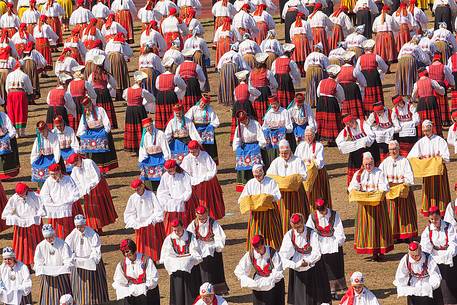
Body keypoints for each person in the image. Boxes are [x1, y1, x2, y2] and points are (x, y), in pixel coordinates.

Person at [348, 152, 394, 260]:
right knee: (367, 228)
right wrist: (357, 191)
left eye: (370, 164)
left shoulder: (379, 172)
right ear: (363, 164)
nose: (368, 166)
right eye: (366, 164)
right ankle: (372, 251)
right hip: (365, 206)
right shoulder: (359, 174)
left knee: (379, 227)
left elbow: (384, 186)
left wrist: (376, 193)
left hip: (377, 205)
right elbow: (352, 187)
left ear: (373, 163)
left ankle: (380, 250)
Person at [279, 213, 332, 305]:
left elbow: (316, 252)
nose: (297, 230)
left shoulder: (312, 233)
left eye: (299, 226)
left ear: (303, 223)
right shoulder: (289, 235)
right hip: (298, 267)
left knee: (317, 294)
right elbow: (283, 255)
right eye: (294, 227)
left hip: (314, 265)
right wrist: (295, 264)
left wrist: (308, 261)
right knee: (300, 296)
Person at [407, 120, 451, 216]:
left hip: (439, 172)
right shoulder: (421, 142)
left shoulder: (440, 140)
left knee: (441, 191)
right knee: (428, 191)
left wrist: (438, 159)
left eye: (428, 130)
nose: (426, 132)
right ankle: (430, 210)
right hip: (427, 172)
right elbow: (410, 157)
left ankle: (443, 210)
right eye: (424, 131)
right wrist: (420, 160)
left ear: (432, 128)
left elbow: (447, 157)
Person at [306, 199, 346, 300]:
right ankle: (322, 291)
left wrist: (336, 243)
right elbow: (309, 231)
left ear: (326, 206)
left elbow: (339, 229)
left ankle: (333, 291)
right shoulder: (312, 217)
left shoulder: (334, 215)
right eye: (320, 211)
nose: (322, 213)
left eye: (323, 210)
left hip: (333, 244)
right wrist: (315, 244)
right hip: (319, 245)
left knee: (334, 269)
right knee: (321, 270)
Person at [65, 214, 109, 305]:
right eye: (77, 227)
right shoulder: (72, 235)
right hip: (78, 265)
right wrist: (73, 258)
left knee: (95, 287)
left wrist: (92, 260)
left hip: (91, 263)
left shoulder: (92, 234)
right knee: (80, 288)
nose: (79, 228)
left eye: (81, 226)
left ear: (84, 224)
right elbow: (68, 249)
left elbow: (96, 249)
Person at [267, 139, 308, 235]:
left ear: (290, 150)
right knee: (283, 216)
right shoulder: (276, 162)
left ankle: (301, 232)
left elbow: (304, 175)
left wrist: (293, 179)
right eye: (282, 153)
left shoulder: (297, 160)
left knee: (297, 212)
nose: (284, 155)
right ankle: (285, 234)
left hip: (296, 193)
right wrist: (281, 181)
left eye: (286, 152)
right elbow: (269, 175)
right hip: (282, 195)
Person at [67, 153, 118, 232]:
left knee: (99, 208)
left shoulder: (89, 163)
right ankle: (94, 227)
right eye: (73, 165)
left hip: (97, 187)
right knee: (90, 210)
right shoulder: (75, 170)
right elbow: (75, 182)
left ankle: (100, 228)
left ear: (79, 159)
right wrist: (80, 192)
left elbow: (96, 177)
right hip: (86, 191)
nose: (75, 166)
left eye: (76, 163)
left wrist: (88, 187)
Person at [379, 140, 418, 242]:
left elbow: (410, 177)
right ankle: (394, 236)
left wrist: (402, 184)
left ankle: (407, 236)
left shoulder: (404, 161)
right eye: (391, 149)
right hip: (391, 193)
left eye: (395, 149)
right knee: (392, 214)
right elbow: (380, 177)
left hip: (403, 192)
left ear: (398, 149)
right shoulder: (385, 162)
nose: (393, 151)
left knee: (406, 214)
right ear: (388, 150)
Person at [239, 164, 283, 249]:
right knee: (256, 232)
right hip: (256, 215)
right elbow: (241, 198)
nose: (258, 175)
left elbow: (278, 195)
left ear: (263, 172)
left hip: (270, 213)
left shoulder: (271, 181)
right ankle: (257, 249)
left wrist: (267, 198)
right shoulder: (250, 183)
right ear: (253, 174)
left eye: (260, 172)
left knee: (272, 232)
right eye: (256, 173)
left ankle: (274, 248)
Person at [187, 206, 229, 295]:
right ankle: (202, 291)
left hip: (212, 249)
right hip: (199, 250)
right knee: (201, 272)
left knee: (215, 271)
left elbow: (220, 236)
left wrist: (216, 246)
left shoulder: (213, 223)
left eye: (203, 217)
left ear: (207, 213)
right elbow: (190, 237)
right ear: (196, 214)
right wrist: (195, 249)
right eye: (200, 218)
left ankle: (217, 291)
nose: (202, 220)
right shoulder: (193, 224)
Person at [160, 219, 203, 305]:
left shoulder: (190, 237)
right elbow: (167, 255)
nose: (177, 232)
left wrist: (188, 259)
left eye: (178, 230)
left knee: (191, 291)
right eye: (174, 230)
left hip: (190, 270)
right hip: (177, 271)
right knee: (178, 292)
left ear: (183, 227)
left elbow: (195, 252)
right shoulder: (170, 239)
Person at [420, 206, 457, 305]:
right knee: (435, 277)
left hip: (448, 256)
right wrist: (429, 258)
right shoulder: (428, 230)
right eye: (431, 219)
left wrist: (447, 256)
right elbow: (425, 247)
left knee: (448, 278)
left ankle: (450, 300)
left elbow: (453, 243)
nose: (434, 222)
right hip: (435, 256)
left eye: (436, 219)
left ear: (440, 217)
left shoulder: (448, 227)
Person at [1, 183, 44, 267]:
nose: (20, 196)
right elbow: (6, 213)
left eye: (22, 194)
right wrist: (13, 217)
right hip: (20, 225)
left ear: (26, 191)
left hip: (33, 225)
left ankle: (35, 261)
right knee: (22, 245)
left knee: (34, 243)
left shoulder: (34, 196)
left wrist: (36, 216)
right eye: (19, 195)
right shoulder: (15, 198)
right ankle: (22, 261)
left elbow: (41, 209)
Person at [234, 234, 285, 305]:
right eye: (255, 248)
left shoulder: (272, 253)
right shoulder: (251, 254)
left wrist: (269, 281)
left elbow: (278, 270)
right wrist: (249, 281)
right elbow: (239, 270)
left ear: (263, 244)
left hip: (274, 283)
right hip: (259, 283)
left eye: (259, 248)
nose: (257, 251)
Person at [181, 141, 225, 220]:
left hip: (207, 183)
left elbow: (212, 169)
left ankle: (210, 219)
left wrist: (204, 178)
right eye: (191, 152)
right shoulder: (187, 158)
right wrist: (193, 180)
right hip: (195, 184)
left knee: (209, 203)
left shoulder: (205, 155)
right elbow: (185, 173)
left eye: (194, 152)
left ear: (198, 149)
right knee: (197, 203)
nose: (193, 154)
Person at [124, 179, 166, 262]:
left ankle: (154, 259)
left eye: (138, 189)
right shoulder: (133, 198)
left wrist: (151, 219)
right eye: (135, 190)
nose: (137, 192)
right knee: (144, 245)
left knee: (154, 244)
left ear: (142, 186)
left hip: (151, 224)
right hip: (140, 226)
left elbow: (158, 209)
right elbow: (129, 212)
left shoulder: (151, 195)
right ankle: (144, 260)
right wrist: (134, 221)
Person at [77, 96, 119, 173]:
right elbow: (82, 126)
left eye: (88, 106)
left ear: (91, 103)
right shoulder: (85, 115)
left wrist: (105, 133)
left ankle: (104, 170)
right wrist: (83, 135)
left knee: (104, 155)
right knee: (95, 155)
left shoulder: (100, 110)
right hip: (92, 134)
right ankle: (96, 170)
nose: (87, 109)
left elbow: (106, 122)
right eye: (86, 107)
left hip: (102, 132)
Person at [34, 224, 73, 305]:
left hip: (61, 273)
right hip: (48, 275)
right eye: (46, 238)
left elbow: (66, 257)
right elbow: (38, 260)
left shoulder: (62, 243)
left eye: (51, 236)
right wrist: (40, 267)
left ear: (54, 234)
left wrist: (66, 265)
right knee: (48, 295)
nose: (49, 239)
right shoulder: (40, 246)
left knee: (64, 293)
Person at [40, 163, 82, 239]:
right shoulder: (49, 181)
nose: (53, 176)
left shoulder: (68, 179)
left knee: (70, 227)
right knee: (57, 228)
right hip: (55, 209)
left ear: (59, 172)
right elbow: (44, 194)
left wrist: (66, 202)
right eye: (51, 174)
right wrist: (51, 204)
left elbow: (75, 193)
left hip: (67, 208)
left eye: (54, 174)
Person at [112, 239, 161, 305]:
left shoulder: (146, 261)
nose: (126, 254)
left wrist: (145, 287)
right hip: (132, 293)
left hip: (147, 292)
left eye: (127, 251)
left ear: (133, 250)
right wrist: (123, 289)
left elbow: (153, 278)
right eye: (124, 252)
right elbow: (119, 281)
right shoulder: (122, 264)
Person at [157, 159, 199, 234]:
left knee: (185, 223)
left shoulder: (184, 175)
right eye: (167, 171)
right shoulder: (165, 176)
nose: (168, 173)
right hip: (171, 205)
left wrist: (180, 200)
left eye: (170, 170)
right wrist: (167, 200)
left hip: (184, 203)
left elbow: (188, 190)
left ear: (175, 167)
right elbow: (162, 190)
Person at [336, 114, 379, 186]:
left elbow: (372, 136)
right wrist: (349, 145)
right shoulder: (347, 129)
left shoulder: (363, 124)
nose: (349, 125)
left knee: (370, 166)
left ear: (354, 119)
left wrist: (364, 142)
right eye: (347, 124)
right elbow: (339, 141)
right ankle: (355, 185)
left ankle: (373, 183)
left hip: (369, 148)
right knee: (354, 160)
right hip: (358, 151)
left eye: (350, 122)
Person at [295, 126, 332, 207]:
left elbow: (320, 162)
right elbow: (296, 159)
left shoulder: (319, 146)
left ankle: (318, 210)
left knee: (317, 194)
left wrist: (311, 162)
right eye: (306, 135)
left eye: (310, 135)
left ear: (314, 136)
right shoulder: (300, 146)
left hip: (316, 175)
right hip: (304, 173)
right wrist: (309, 161)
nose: (308, 138)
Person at [233, 110, 267, 192]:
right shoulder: (239, 127)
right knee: (244, 164)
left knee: (256, 166)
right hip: (244, 147)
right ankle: (246, 186)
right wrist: (237, 148)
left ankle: (259, 184)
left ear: (247, 117)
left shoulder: (255, 124)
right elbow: (237, 139)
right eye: (241, 121)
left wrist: (259, 146)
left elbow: (261, 137)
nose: (243, 122)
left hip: (255, 146)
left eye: (244, 120)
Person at [123, 71, 155, 154]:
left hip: (130, 110)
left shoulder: (127, 90)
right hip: (139, 110)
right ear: (140, 81)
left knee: (132, 128)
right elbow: (152, 99)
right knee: (141, 128)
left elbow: (125, 97)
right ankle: (141, 145)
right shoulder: (143, 91)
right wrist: (143, 103)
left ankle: (132, 146)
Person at [355, 39, 388, 115]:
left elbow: (357, 70)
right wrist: (380, 72)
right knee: (376, 95)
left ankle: (368, 111)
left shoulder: (360, 58)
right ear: (372, 48)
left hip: (364, 78)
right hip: (374, 79)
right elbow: (385, 68)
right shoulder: (376, 57)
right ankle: (379, 109)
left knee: (366, 95)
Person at [185, 94, 220, 163]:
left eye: (205, 104)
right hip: (196, 132)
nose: (202, 105)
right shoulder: (194, 109)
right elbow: (187, 119)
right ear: (200, 101)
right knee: (198, 147)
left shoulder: (210, 109)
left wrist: (210, 127)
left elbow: (216, 121)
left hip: (208, 132)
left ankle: (210, 163)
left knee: (208, 149)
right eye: (202, 103)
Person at [138, 117, 171, 191]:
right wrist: (141, 160)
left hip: (160, 158)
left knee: (161, 178)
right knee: (149, 176)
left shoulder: (160, 134)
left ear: (152, 124)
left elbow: (165, 148)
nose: (148, 128)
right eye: (146, 127)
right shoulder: (145, 136)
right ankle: (152, 191)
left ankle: (163, 190)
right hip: (150, 159)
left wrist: (167, 159)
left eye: (149, 126)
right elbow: (143, 150)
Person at [411, 68, 445, 137]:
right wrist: (443, 91)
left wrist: (414, 99)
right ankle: (436, 134)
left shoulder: (416, 83)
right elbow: (440, 90)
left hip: (422, 102)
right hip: (431, 101)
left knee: (422, 119)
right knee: (434, 119)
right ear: (426, 73)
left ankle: (423, 135)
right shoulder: (431, 81)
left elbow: (413, 95)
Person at [316, 64, 345, 145]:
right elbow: (341, 98)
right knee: (332, 121)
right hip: (331, 102)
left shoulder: (322, 82)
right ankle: (332, 139)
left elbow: (318, 93)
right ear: (336, 75)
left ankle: (320, 137)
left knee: (321, 120)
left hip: (321, 102)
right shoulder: (337, 85)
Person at [155, 58, 186, 130]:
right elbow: (183, 86)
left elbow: (157, 87)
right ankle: (172, 127)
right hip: (170, 95)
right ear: (172, 66)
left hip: (160, 96)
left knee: (162, 113)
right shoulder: (174, 76)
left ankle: (162, 127)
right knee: (171, 112)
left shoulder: (159, 77)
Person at [87, 54, 118, 129]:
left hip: (96, 93)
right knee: (106, 108)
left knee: (97, 108)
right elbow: (114, 84)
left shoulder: (92, 75)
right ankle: (109, 123)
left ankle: (97, 122)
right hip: (105, 93)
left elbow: (89, 84)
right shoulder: (106, 74)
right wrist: (110, 88)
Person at [261, 95, 293, 167]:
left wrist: (282, 130)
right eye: (272, 104)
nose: (273, 106)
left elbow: (290, 127)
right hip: (272, 140)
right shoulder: (268, 113)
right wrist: (268, 130)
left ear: (278, 103)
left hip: (283, 138)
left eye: (275, 104)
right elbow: (264, 127)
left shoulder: (285, 112)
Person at [5, 60, 33, 137]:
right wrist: (28, 92)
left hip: (11, 94)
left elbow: (6, 87)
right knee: (22, 111)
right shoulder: (24, 75)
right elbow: (30, 89)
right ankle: (22, 132)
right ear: (22, 67)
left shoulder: (10, 75)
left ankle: (16, 132)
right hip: (20, 94)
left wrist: (9, 93)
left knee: (12, 111)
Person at [249, 53, 279, 124]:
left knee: (257, 110)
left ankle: (258, 123)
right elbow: (275, 84)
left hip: (255, 93)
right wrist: (271, 88)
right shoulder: (268, 72)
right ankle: (267, 122)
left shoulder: (252, 72)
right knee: (267, 108)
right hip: (265, 92)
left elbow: (250, 85)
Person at [428, 52, 455, 127]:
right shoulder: (444, 67)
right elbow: (450, 79)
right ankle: (444, 120)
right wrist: (452, 84)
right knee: (442, 104)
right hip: (441, 86)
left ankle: (435, 120)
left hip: (432, 87)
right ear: (440, 59)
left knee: (434, 103)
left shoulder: (428, 68)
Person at [271, 43, 301, 108]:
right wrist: (295, 81)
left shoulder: (276, 61)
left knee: (278, 95)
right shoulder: (291, 62)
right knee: (289, 96)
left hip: (277, 79)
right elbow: (296, 73)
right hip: (287, 80)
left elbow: (273, 72)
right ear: (290, 53)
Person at [105, 33, 133, 101]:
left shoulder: (109, 42)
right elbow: (129, 53)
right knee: (120, 76)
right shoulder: (123, 43)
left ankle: (114, 94)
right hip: (118, 58)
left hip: (110, 58)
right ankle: (120, 94)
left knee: (112, 75)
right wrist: (126, 58)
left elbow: (106, 52)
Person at [303, 43, 329, 108]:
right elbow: (327, 67)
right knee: (318, 85)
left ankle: (310, 102)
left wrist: (309, 71)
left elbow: (305, 67)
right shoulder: (322, 56)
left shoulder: (310, 55)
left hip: (309, 70)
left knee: (310, 86)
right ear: (320, 50)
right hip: (318, 70)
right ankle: (318, 102)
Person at [0, 109, 20, 179]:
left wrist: (6, 138)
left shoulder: (3, 115)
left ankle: (7, 175)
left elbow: (11, 130)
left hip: (5, 138)